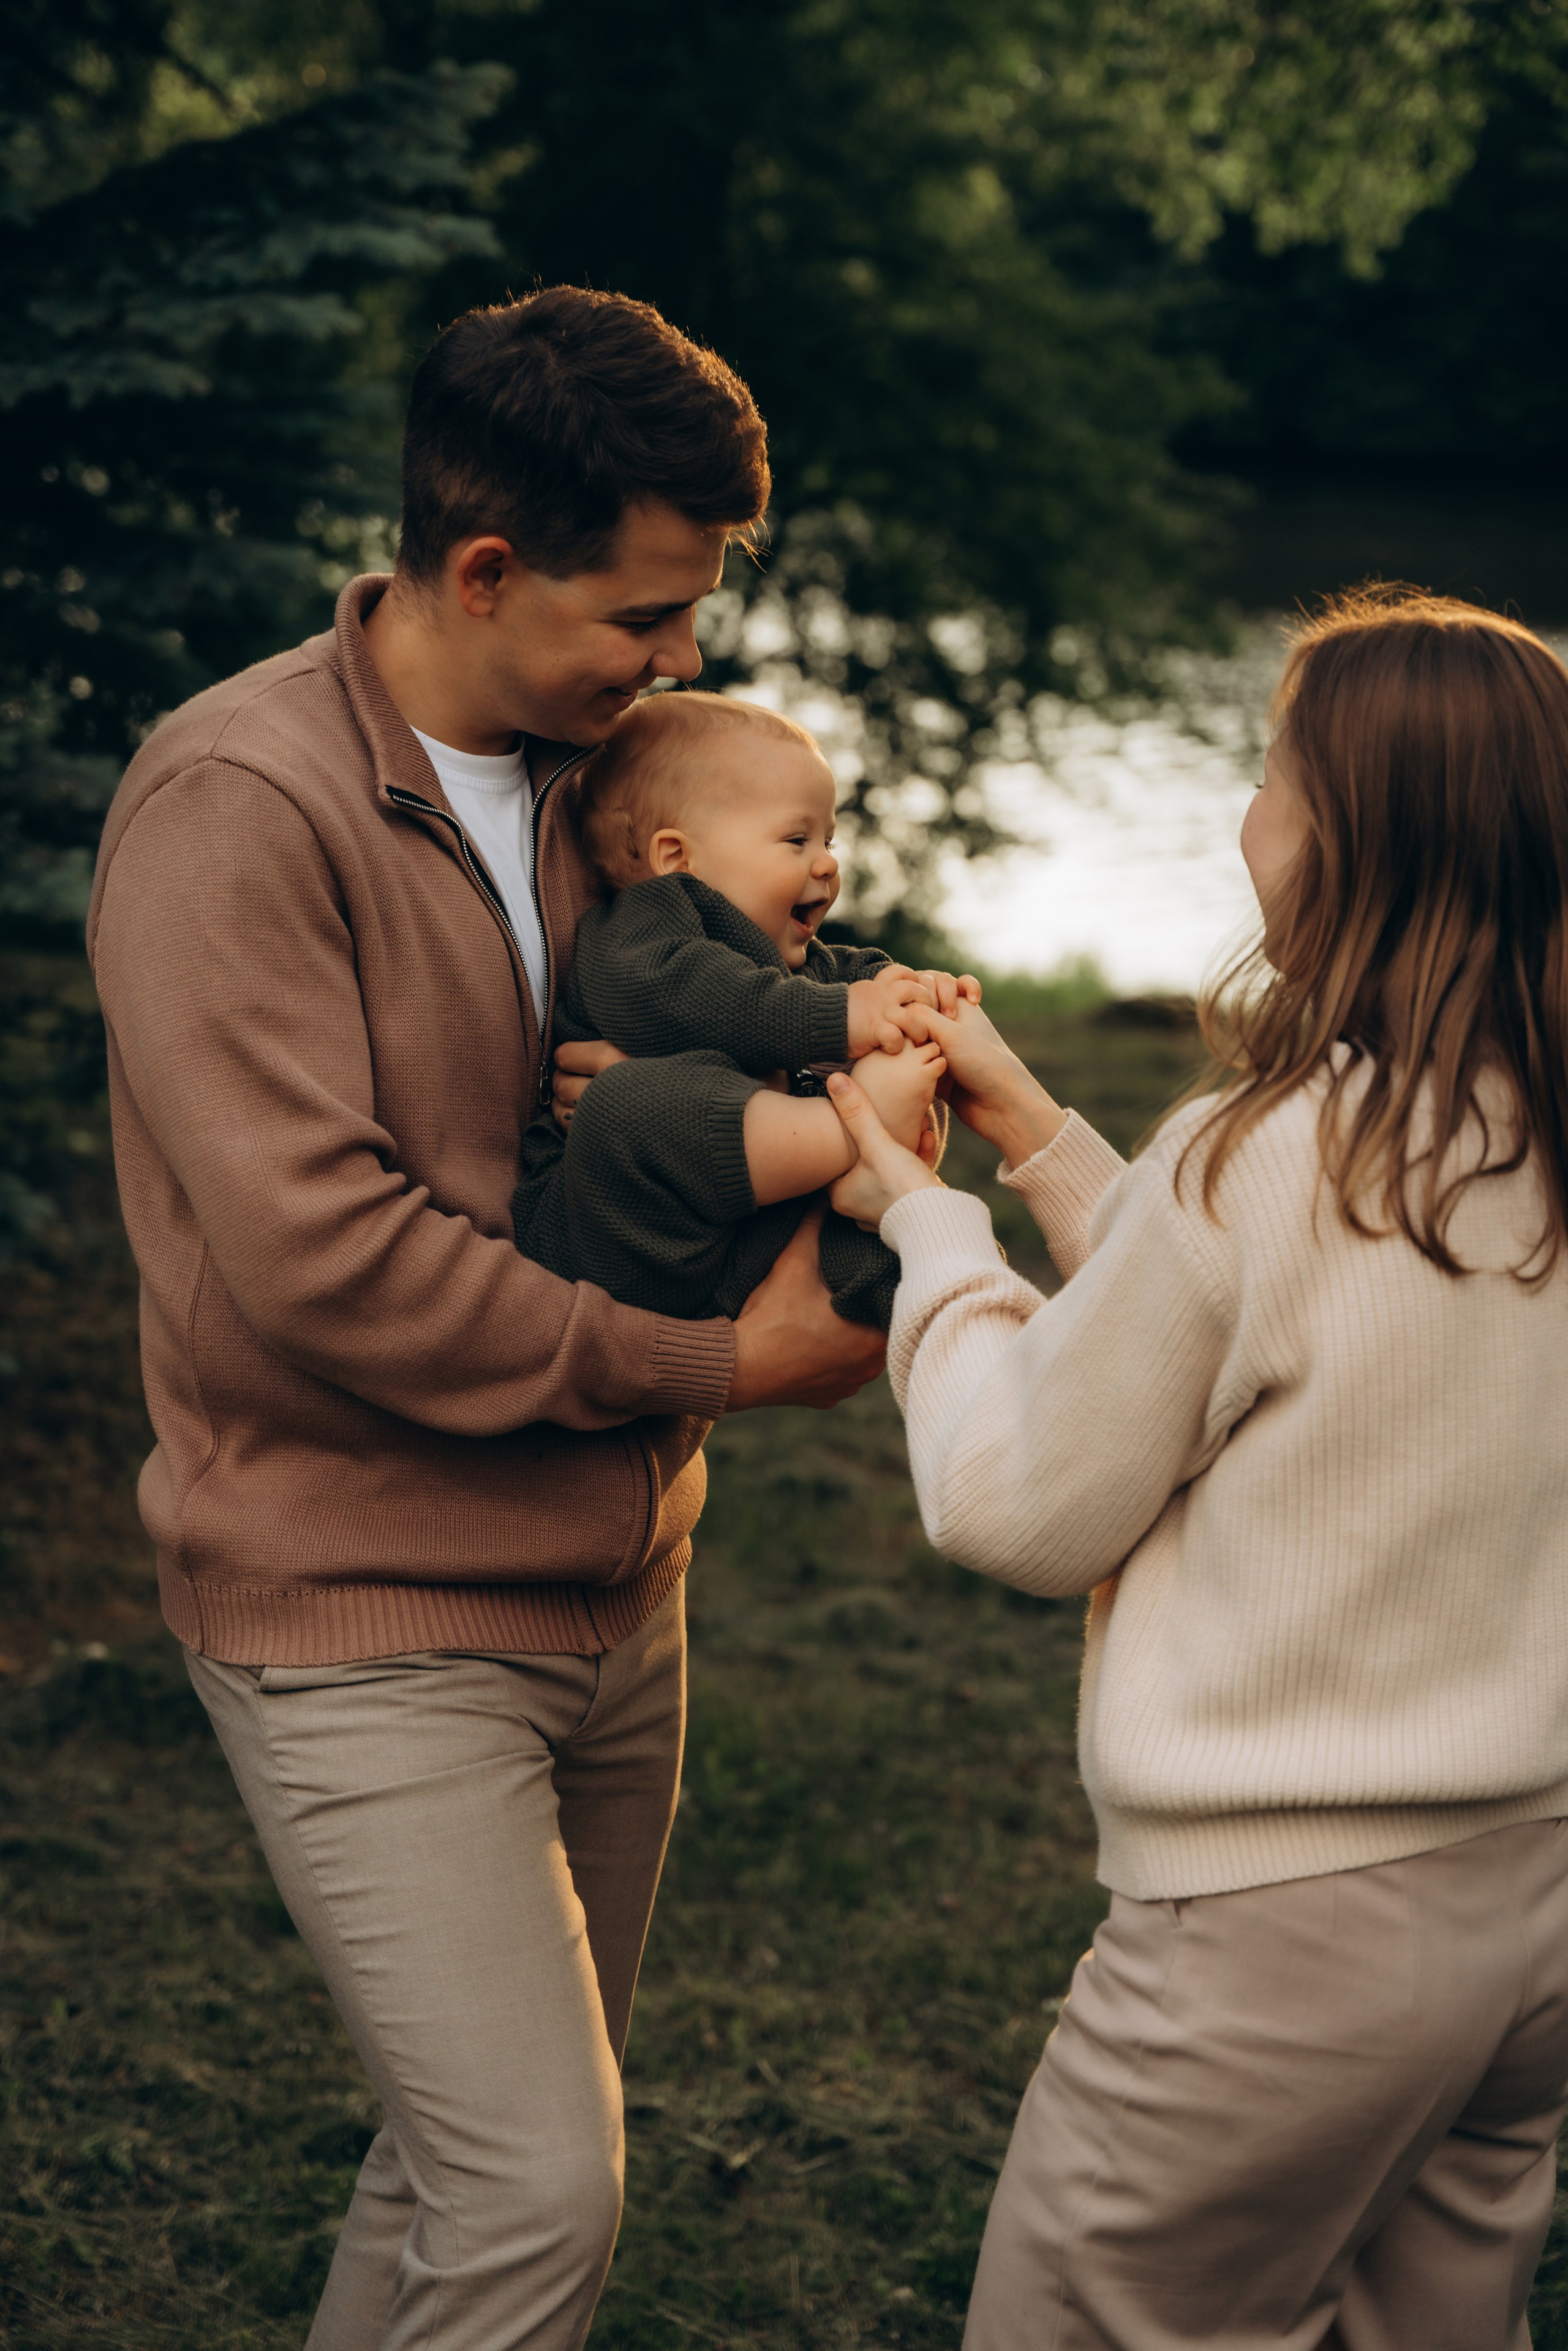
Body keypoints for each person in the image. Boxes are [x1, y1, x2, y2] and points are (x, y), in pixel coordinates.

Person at [86, 286, 884, 2351]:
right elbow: (332, 1259)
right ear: (483, 568)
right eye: (643, 614)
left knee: (465, 2164)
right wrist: (720, 1364)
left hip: (625, 1596)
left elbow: (758, 1007)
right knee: (537, 2190)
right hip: (371, 1604)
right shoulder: (238, 807)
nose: (682, 659)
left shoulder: (607, 779)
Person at [823, 589, 1568, 2350]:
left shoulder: (1269, 1156)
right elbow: (1299, 1328)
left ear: (1349, 838)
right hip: (1532, 1913)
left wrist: (931, 1232)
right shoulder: (1511, 1134)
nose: (1247, 814)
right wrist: (1036, 1133)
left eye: (1269, 771)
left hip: (1281, 1947)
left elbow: (1020, 1495)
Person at [512, 688, 968, 1330]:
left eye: (829, 838)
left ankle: (905, 1291)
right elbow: (708, 997)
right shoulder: (644, 931)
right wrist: (845, 1017)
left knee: (859, 1098)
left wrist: (902, 986)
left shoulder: (781, 961)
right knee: (625, 1102)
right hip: (611, 1244)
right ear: (677, 859)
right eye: (796, 838)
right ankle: (856, 1133)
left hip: (730, 1254)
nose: (828, 863)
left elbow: (837, 973)